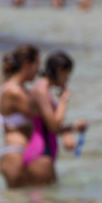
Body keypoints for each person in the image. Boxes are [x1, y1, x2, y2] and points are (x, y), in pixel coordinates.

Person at [24, 50, 88, 186]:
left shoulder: (44, 91)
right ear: (59, 70)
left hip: (43, 153)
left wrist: (72, 128)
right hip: (40, 153)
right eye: (67, 74)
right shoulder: (40, 91)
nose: (67, 79)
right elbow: (54, 126)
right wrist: (64, 101)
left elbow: (52, 125)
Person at [0, 45, 40, 188]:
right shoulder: (13, 91)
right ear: (27, 64)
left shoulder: (21, 89)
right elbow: (40, 117)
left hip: (23, 152)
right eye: (37, 65)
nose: (38, 71)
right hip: (15, 153)